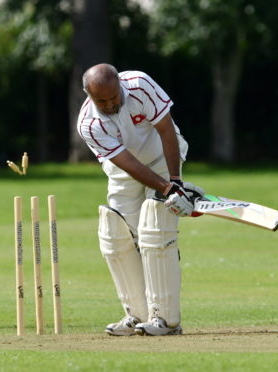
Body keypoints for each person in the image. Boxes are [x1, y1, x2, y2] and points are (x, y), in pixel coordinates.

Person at [77, 64, 204, 336]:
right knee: (116, 236)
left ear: (120, 87)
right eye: (102, 101)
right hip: (124, 172)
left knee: (154, 232)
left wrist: (175, 182)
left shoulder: (138, 84)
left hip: (161, 158)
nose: (111, 104)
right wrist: (167, 190)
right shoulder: (89, 123)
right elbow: (128, 163)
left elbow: (166, 131)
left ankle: (165, 320)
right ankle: (137, 315)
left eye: (114, 97)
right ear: (89, 96)